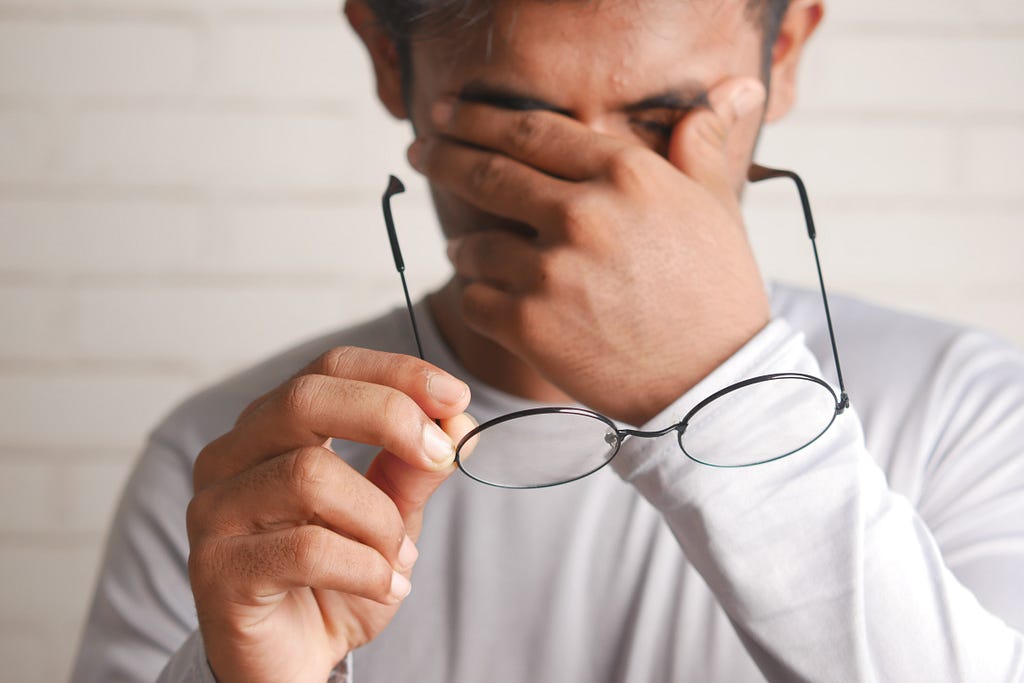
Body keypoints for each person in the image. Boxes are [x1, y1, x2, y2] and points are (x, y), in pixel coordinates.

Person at [71, 0, 1024, 681]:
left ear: (786, 49)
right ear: (388, 57)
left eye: (664, 120)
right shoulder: (247, 474)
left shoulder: (968, 412)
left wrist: (718, 380)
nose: (600, 193)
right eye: (519, 124)